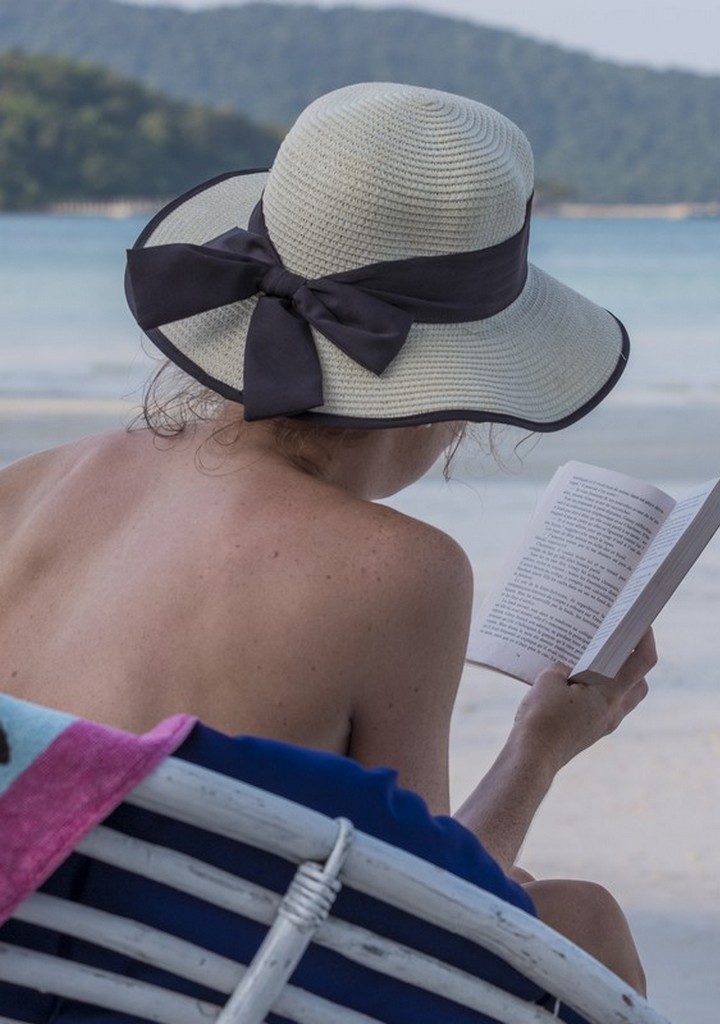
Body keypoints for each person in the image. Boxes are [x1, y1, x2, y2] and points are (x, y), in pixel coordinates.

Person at [0, 82, 652, 994]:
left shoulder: (28, 488)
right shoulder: (399, 570)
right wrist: (539, 749)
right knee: (582, 918)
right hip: (199, 999)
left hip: (35, 971)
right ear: (447, 397)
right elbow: (421, 919)